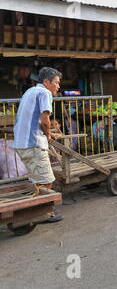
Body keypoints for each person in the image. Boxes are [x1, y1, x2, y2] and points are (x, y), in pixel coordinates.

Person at [13, 67, 63, 223]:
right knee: (45, 179)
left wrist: (47, 132)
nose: (58, 86)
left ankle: (37, 209)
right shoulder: (45, 93)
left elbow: (34, 120)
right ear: (46, 82)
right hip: (33, 143)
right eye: (56, 82)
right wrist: (47, 134)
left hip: (21, 143)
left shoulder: (29, 91)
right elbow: (44, 119)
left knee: (37, 178)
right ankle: (44, 213)